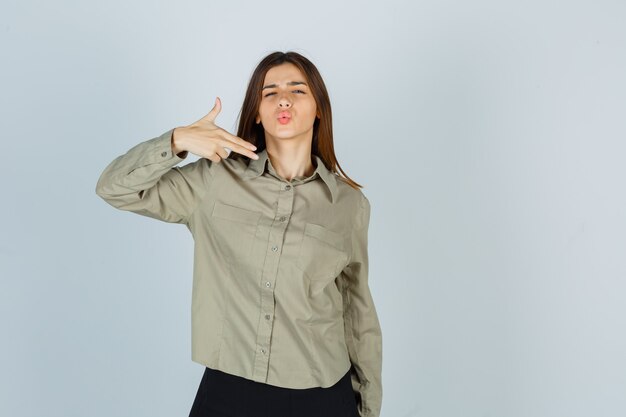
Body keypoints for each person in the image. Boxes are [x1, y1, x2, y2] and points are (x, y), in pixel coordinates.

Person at [95, 51, 382, 417]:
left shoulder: (349, 205)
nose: (283, 99)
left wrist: (368, 405)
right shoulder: (213, 180)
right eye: (270, 92)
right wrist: (176, 141)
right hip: (230, 389)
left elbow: (357, 313)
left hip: (322, 392)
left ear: (319, 109)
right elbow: (113, 187)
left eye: (298, 90)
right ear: (257, 113)